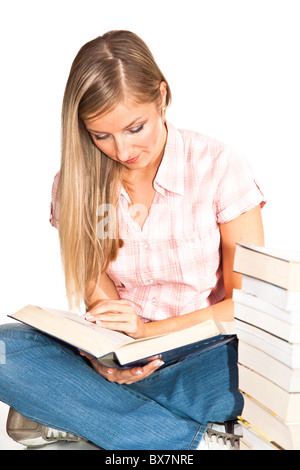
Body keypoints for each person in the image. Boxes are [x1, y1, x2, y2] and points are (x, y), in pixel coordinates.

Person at [0, 30, 265, 450]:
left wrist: (149, 332)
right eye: (101, 135)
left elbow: (248, 306)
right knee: (4, 349)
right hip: (121, 357)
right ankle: (193, 441)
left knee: (257, 368)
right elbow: (97, 291)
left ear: (161, 96)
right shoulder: (76, 184)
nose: (122, 149)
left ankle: (85, 415)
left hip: (205, 354)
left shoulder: (218, 166)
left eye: (134, 127)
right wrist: (105, 358)